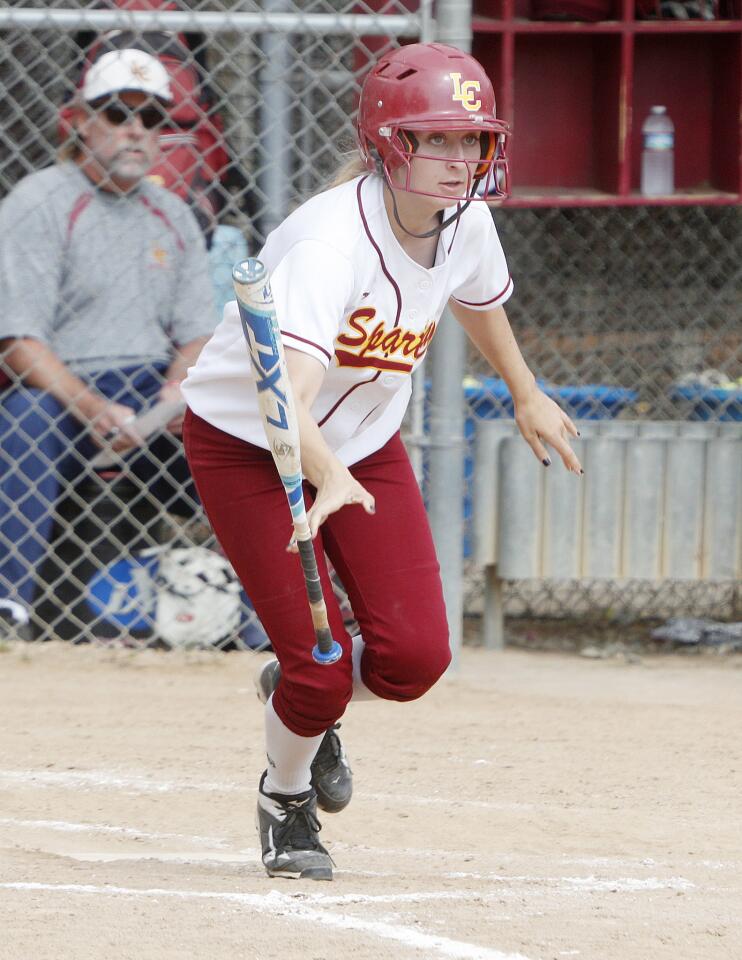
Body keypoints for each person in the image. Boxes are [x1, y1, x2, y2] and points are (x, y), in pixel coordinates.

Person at [181, 41, 583, 882]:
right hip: (251, 446)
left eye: (471, 140)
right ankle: (285, 799)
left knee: (414, 661)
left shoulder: (466, 222)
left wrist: (526, 392)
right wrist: (321, 470)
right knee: (322, 670)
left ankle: (288, 689)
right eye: (436, 139)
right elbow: (282, 396)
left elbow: (479, 304)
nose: (459, 158)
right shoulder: (333, 243)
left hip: (360, 445)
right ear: (388, 144)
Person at [0, 48, 218, 619]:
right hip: (64, 394)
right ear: (80, 121)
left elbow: (198, 334)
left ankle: (257, 612)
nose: (137, 131)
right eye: (120, 114)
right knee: (24, 418)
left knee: (233, 421)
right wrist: (92, 406)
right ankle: (9, 605)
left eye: (152, 119)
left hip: (150, 390)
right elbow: (18, 343)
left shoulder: (173, 212)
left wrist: (176, 390)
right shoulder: (39, 201)